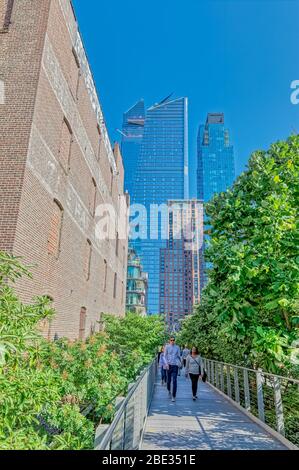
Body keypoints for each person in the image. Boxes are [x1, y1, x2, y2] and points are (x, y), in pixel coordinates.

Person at [164, 336, 181, 402]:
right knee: (168, 381)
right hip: (169, 365)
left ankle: (173, 396)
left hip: (175, 365)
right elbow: (164, 356)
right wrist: (166, 364)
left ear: (175, 340)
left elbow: (179, 356)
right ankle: (168, 389)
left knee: (174, 380)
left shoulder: (177, 347)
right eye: (171, 340)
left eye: (173, 340)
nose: (172, 341)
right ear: (169, 340)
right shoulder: (167, 347)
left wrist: (180, 363)